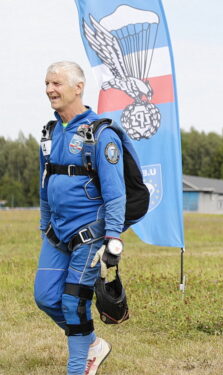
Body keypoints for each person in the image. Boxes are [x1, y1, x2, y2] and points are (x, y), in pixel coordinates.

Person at [34, 61, 125, 375]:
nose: (49, 89)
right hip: (56, 233)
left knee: (74, 304)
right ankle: (91, 343)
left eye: (56, 83)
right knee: (45, 296)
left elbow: (115, 193)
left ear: (78, 87)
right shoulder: (50, 132)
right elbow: (45, 183)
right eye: (47, 83)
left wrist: (113, 239)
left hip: (90, 234)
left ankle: (78, 367)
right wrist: (44, 223)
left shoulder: (101, 134)